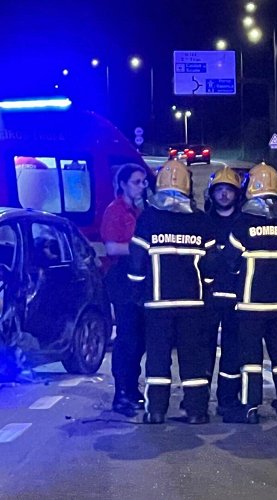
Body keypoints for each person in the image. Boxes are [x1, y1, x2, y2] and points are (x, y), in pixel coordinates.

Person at [128, 160, 215, 424]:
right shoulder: (199, 220)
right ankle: (196, 411)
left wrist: (136, 288)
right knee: (193, 357)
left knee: (158, 357)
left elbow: (136, 261)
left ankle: (156, 410)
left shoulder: (149, 218)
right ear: (188, 186)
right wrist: (206, 288)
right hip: (192, 303)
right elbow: (211, 265)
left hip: (158, 303)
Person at [222, 162, 277, 424]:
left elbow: (230, 261)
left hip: (250, 305)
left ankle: (250, 407)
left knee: (251, 360)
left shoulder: (244, 221)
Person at [100, 163, 149, 416]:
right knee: (127, 339)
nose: (142, 186)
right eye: (136, 182)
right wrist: (143, 249)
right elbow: (112, 248)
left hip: (139, 282)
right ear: (122, 184)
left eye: (143, 182)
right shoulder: (115, 211)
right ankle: (122, 393)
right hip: (121, 281)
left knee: (139, 340)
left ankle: (132, 389)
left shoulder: (141, 211)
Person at [204, 167, 243, 415]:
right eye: (220, 190)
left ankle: (228, 399)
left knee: (233, 350)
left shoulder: (244, 222)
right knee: (203, 347)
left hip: (237, 296)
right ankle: (198, 397)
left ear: (236, 194)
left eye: (229, 190)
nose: (225, 195)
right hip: (207, 296)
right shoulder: (203, 222)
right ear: (212, 194)